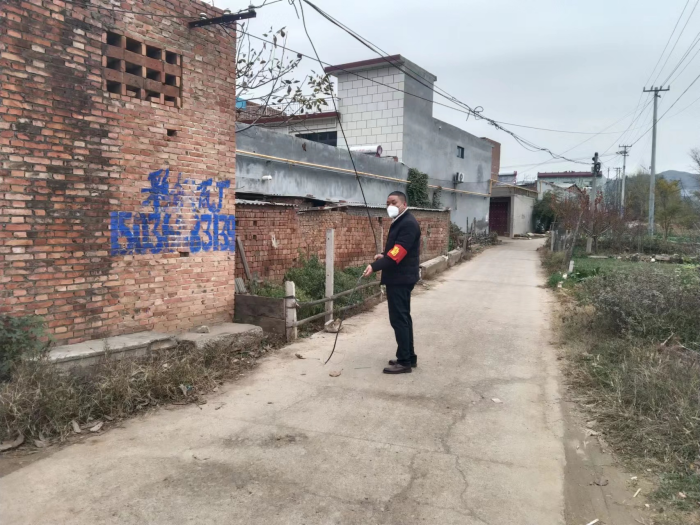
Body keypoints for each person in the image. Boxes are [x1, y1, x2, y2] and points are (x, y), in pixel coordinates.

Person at [362, 191, 421, 374]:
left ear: (403, 204)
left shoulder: (408, 224)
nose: (390, 206)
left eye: (393, 202)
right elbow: (395, 251)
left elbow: (397, 255)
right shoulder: (401, 221)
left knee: (399, 319)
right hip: (400, 276)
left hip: (400, 279)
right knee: (404, 318)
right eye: (387, 203)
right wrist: (384, 256)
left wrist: (374, 265)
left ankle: (404, 362)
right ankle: (408, 356)